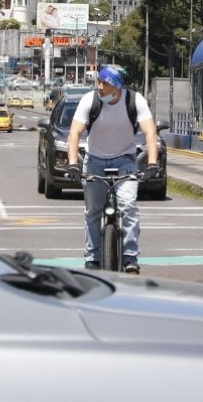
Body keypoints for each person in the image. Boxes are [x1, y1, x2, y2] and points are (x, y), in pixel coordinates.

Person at [64, 65, 160, 274]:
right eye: (98, 82)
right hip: (94, 160)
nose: (99, 87)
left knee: (128, 206)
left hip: (125, 160)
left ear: (116, 87)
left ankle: (130, 257)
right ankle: (92, 258)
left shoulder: (135, 101)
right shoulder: (90, 101)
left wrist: (152, 163)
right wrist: (73, 163)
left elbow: (150, 133)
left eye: (104, 83)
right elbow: (74, 134)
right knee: (92, 213)